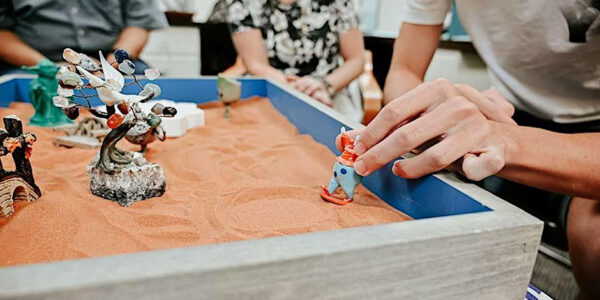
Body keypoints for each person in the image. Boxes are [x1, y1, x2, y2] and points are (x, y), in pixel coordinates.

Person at [339, 1, 600, 299]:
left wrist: (509, 140)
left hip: (590, 127)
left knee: (594, 242)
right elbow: (404, 70)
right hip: (507, 110)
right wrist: (422, 118)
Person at [226, 0, 366, 122]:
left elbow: (356, 60)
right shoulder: (243, 3)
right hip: (275, 86)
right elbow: (256, 64)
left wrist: (322, 86)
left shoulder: (338, 2)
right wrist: (296, 90)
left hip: (329, 88)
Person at [0, 0, 168, 75]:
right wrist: (50, 68)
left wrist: (111, 66)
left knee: (151, 89)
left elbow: (139, 24)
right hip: (33, 64)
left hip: (111, 59)